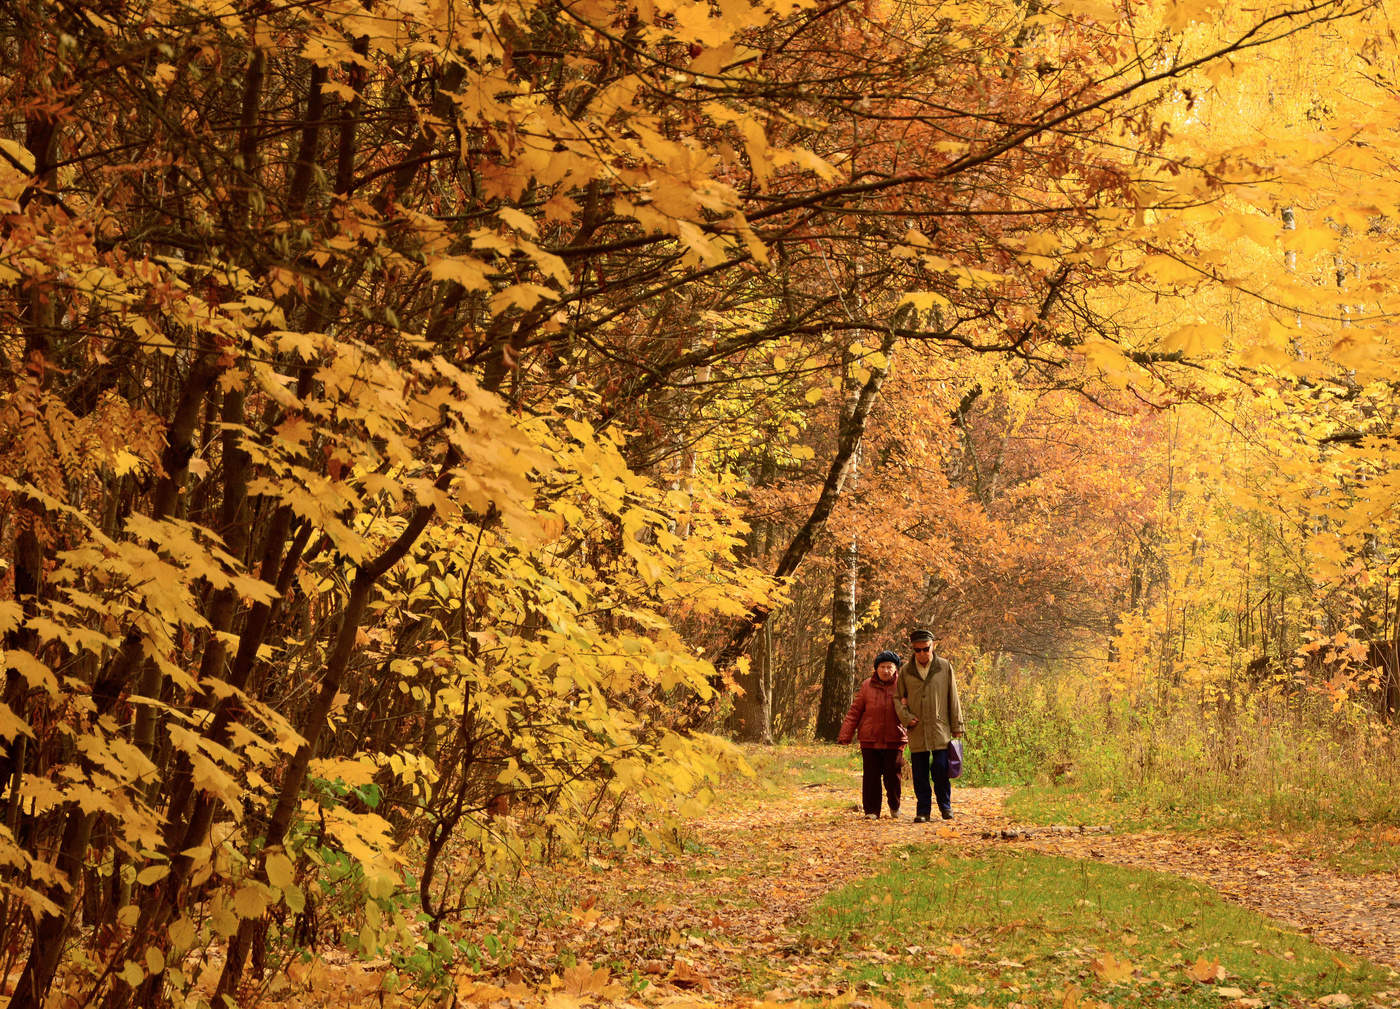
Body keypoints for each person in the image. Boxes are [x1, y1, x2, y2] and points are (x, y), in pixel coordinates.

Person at [894, 629, 964, 821]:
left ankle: (945, 807)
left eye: (926, 649)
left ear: (933, 646)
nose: (922, 653)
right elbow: (897, 699)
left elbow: (953, 697)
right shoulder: (906, 670)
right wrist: (907, 718)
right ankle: (923, 811)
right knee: (920, 773)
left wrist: (957, 725)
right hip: (917, 729)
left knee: (941, 768)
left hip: (940, 727)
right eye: (918, 650)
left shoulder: (944, 667)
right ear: (913, 650)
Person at [837, 650, 908, 819]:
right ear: (876, 669)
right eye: (882, 667)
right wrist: (845, 734)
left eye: (889, 667)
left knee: (893, 776)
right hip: (870, 739)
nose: (885, 670)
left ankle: (894, 806)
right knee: (871, 777)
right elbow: (855, 711)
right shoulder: (866, 685)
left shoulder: (903, 686)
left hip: (894, 738)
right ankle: (871, 811)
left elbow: (911, 710)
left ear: (895, 669)